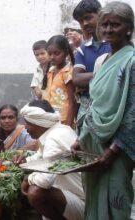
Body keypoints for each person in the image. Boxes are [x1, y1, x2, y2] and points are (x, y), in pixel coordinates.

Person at [72, 2, 135, 219]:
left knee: (116, 201)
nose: (108, 30)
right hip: (93, 144)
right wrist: (81, 139)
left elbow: (133, 113)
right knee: (94, 198)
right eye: (104, 24)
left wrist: (114, 149)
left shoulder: (132, 61)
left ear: (129, 28)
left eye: (115, 25)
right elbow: (94, 104)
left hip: (117, 147)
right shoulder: (101, 62)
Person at [15, 100, 84, 220]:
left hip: (82, 203)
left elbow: (44, 181)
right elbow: (42, 157)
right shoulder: (60, 130)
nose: (25, 128)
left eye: (28, 123)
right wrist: (25, 160)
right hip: (71, 195)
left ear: (38, 123)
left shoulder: (53, 139)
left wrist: (28, 178)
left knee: (35, 192)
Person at [72, 0, 111, 133]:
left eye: (88, 18)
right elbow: (76, 79)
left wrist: (88, 81)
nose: (84, 24)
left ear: (100, 14)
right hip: (88, 107)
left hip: (110, 106)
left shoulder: (115, 44)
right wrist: (106, 73)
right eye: (80, 21)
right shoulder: (84, 48)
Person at [42, 35, 76, 126]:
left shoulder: (68, 73)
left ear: (66, 53)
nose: (52, 57)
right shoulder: (50, 72)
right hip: (49, 119)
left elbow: (72, 103)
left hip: (63, 121)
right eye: (49, 54)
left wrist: (68, 127)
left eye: (57, 53)